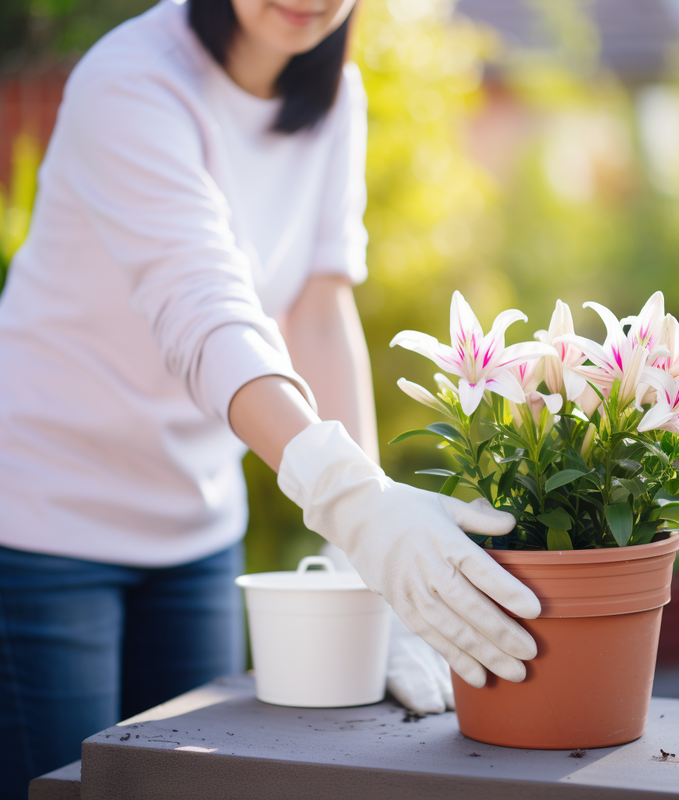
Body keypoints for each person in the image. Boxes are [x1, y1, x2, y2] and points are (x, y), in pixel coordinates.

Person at [0, 0, 542, 795]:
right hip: (41, 518)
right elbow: (204, 310)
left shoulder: (333, 98)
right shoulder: (130, 83)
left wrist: (367, 553)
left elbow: (319, 313)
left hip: (195, 525)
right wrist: (348, 498)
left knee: (192, 785)